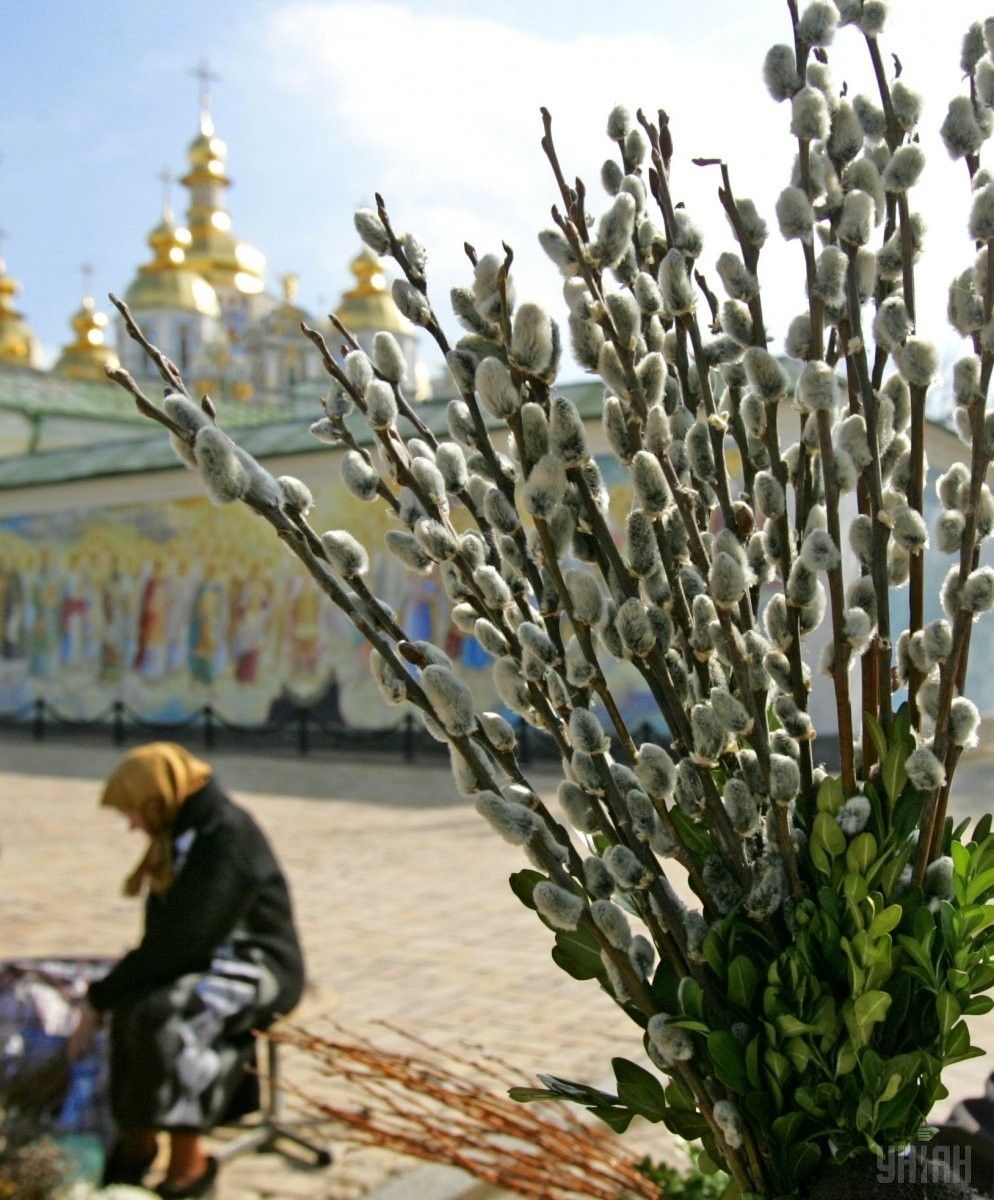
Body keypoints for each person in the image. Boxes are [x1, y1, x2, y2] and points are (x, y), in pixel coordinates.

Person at [69, 742, 305, 1199]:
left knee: (172, 1015)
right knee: (134, 1008)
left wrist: (99, 995)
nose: (132, 825)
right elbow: (172, 943)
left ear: (159, 796)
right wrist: (113, 996)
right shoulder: (184, 832)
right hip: (209, 957)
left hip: (260, 963)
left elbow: (185, 941)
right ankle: (138, 1139)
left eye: (135, 812)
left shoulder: (224, 834)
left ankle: (188, 1163)